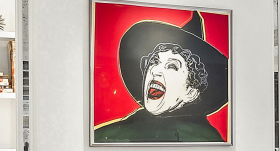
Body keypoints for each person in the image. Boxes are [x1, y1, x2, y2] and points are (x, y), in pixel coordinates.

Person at [94, 10, 229, 143]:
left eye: (171, 66)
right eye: (155, 61)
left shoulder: (205, 140)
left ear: (191, 92)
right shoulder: (108, 135)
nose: (155, 71)